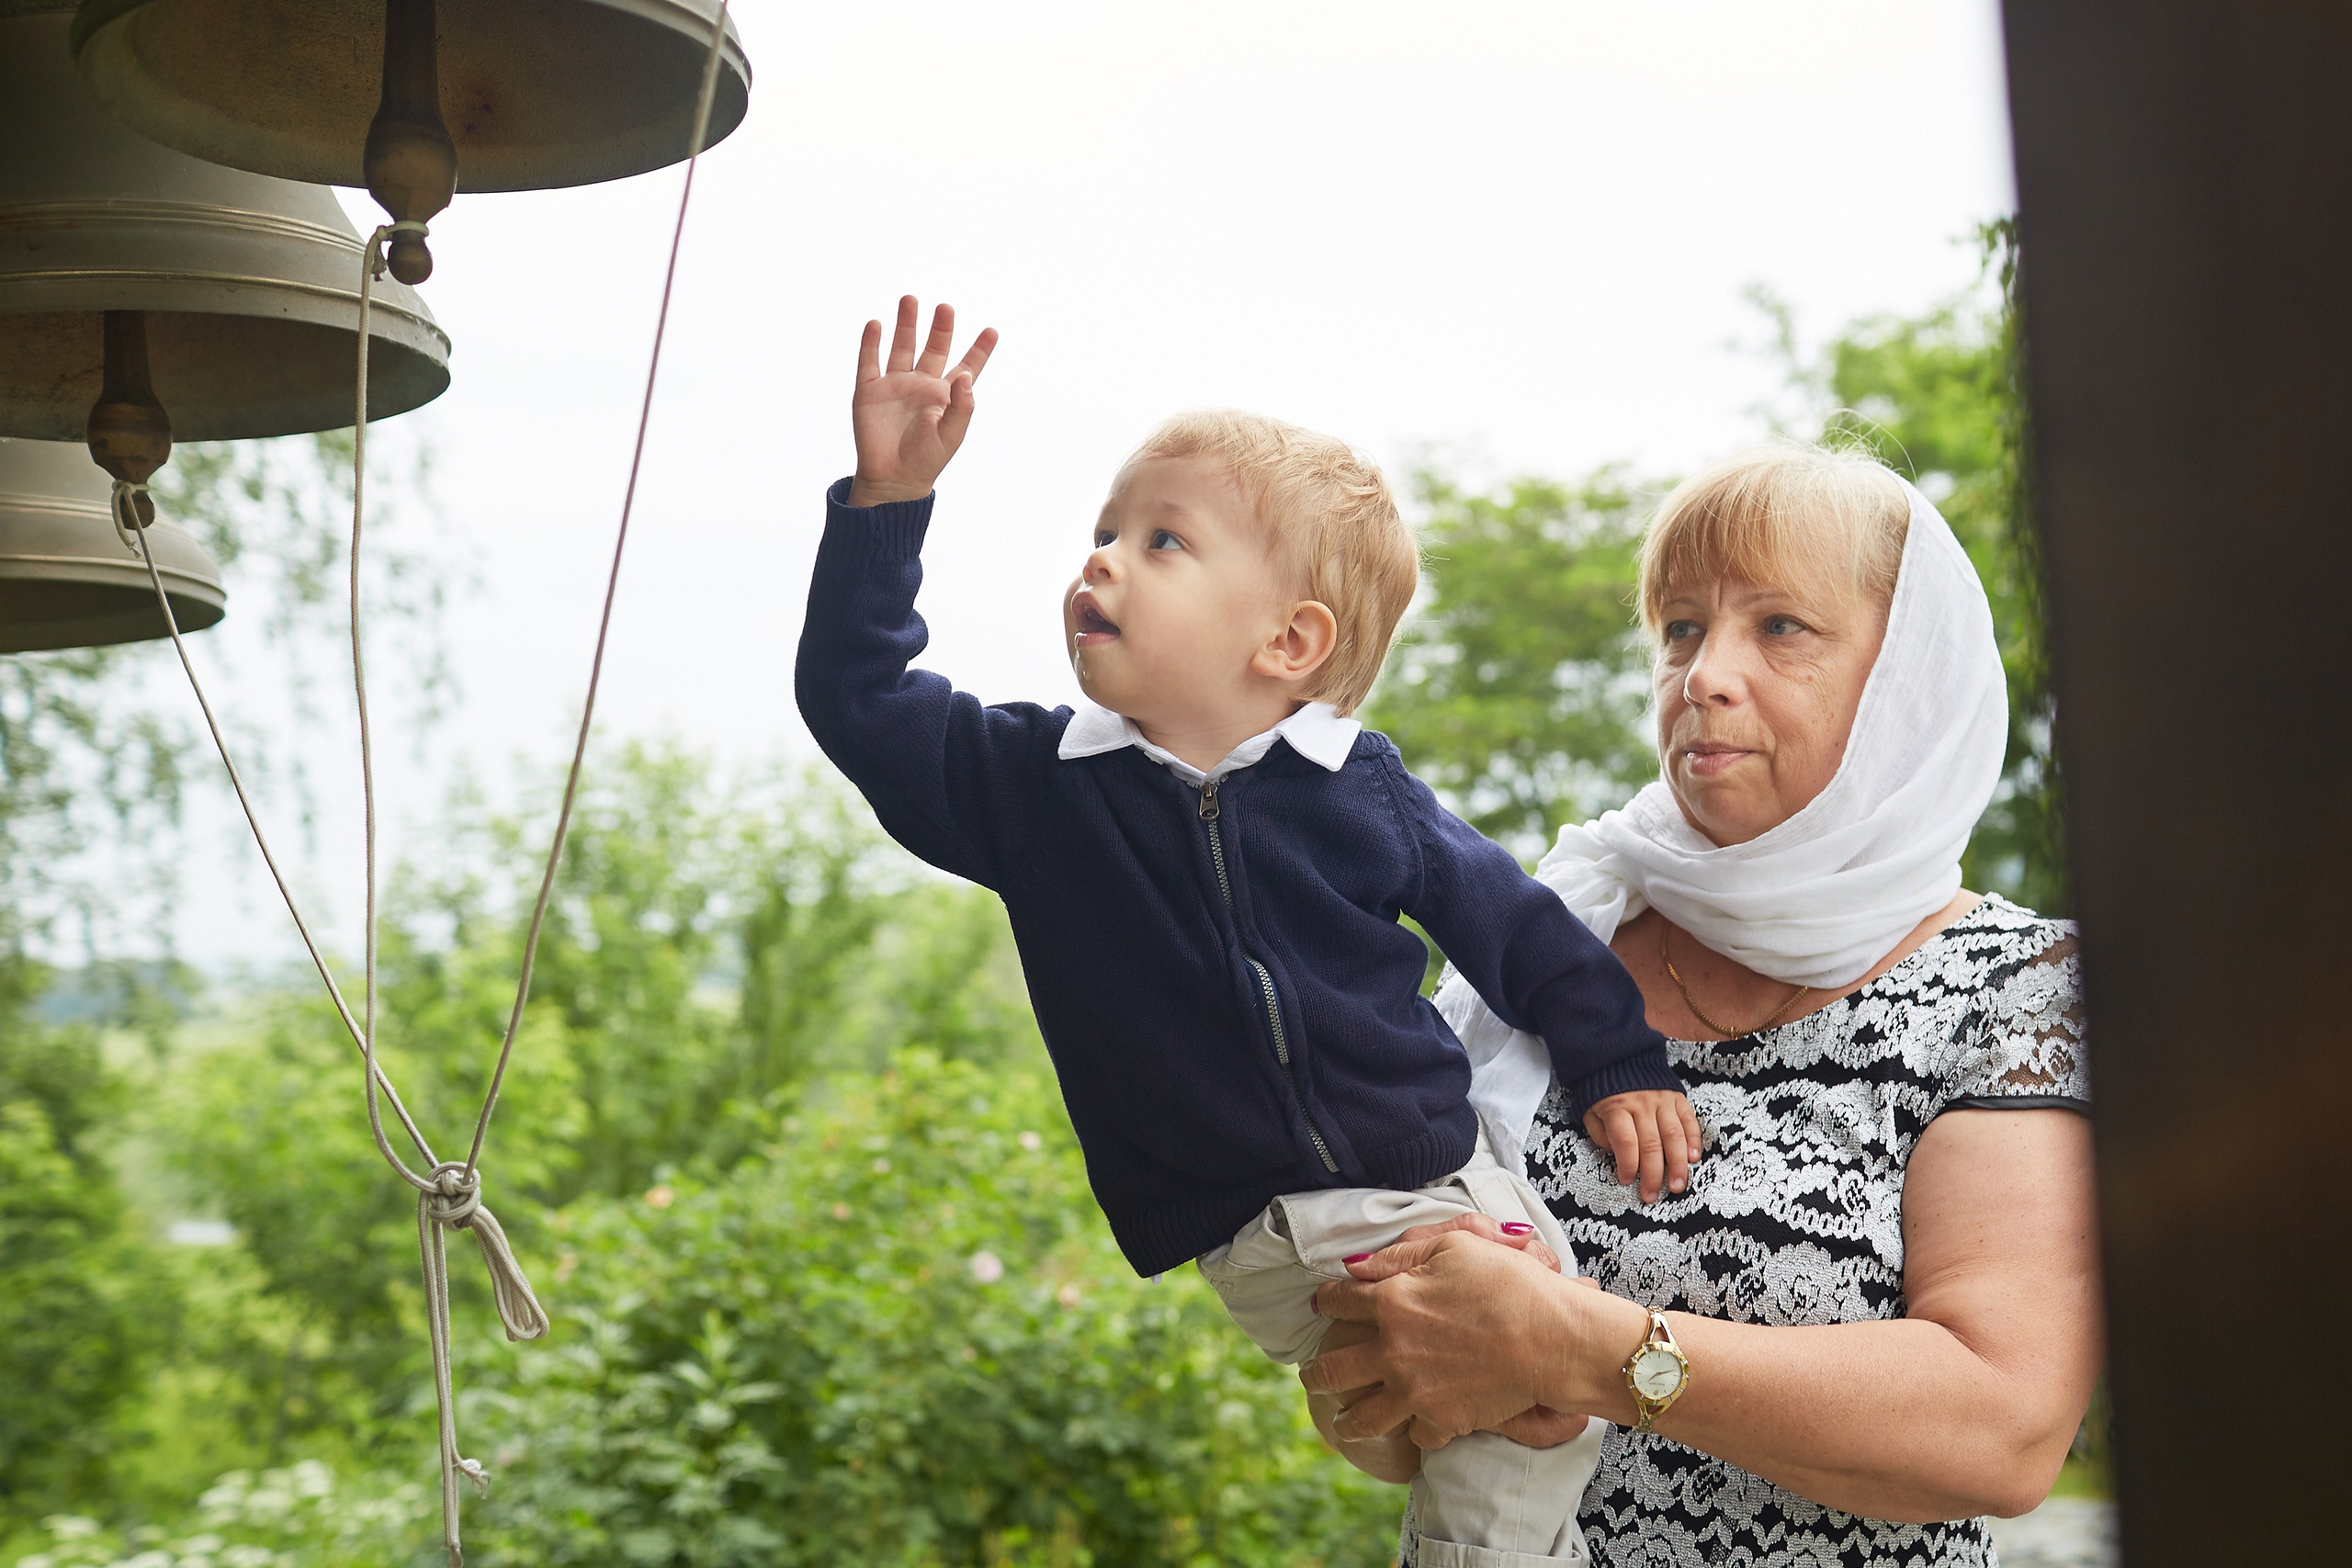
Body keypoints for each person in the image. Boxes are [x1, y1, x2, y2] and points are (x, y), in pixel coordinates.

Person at [795, 297, 1703, 1566]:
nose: (1100, 558)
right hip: (1255, 1223)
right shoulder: (1037, 783)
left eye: (1162, 540)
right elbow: (857, 697)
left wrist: (1617, 1059)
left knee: (1526, 1412)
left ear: (1290, 640)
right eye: (1104, 530)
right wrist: (887, 502)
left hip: (1434, 1178)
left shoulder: (1357, 787)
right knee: (1527, 1403)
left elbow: (1516, 924)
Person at [1302, 442, 2100, 1568]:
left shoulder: (2014, 989)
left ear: (1905, 681)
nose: (1704, 675)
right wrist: (1397, 1361)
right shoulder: (1545, 950)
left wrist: (1587, 1351)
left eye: (1779, 627)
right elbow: (1374, 1375)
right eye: (1680, 628)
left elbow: (2000, 1427)